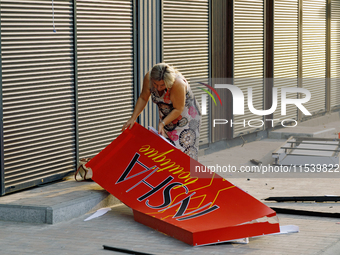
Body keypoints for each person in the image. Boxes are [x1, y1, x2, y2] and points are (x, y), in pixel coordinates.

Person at [122, 63, 201, 160]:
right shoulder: (149, 78)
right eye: (155, 84)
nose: (158, 88)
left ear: (169, 82)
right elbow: (143, 98)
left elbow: (178, 109)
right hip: (167, 117)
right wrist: (133, 118)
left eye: (162, 85)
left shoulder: (177, 84)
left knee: (183, 153)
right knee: (166, 151)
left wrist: (163, 123)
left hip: (187, 118)